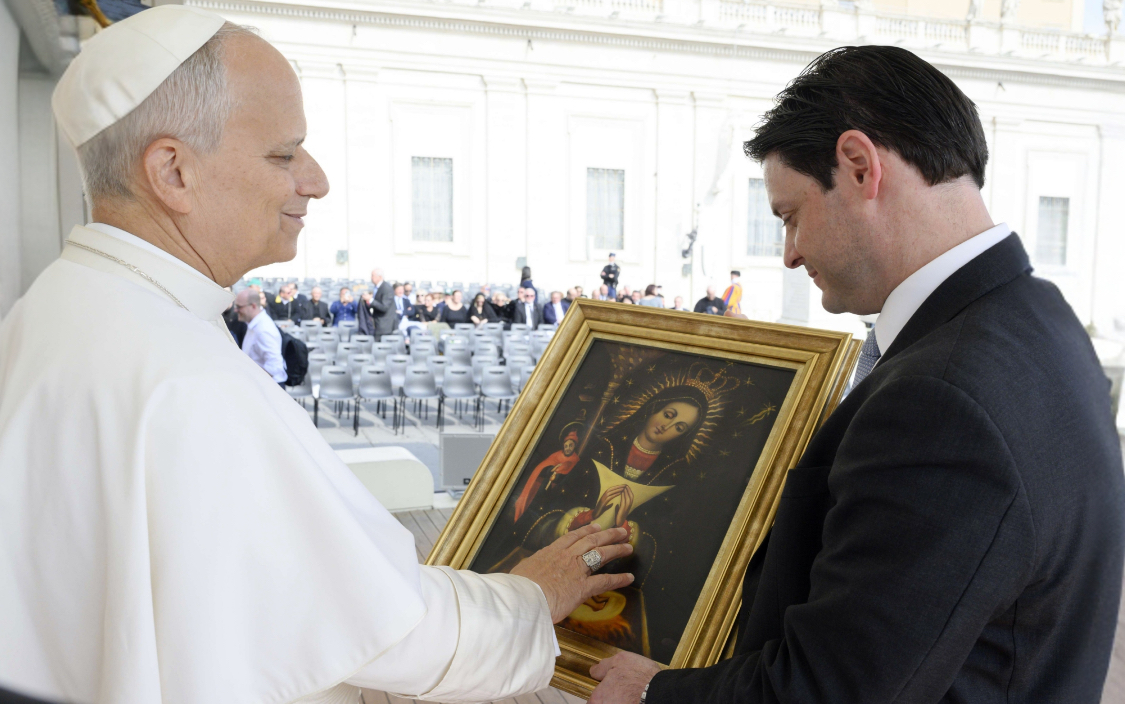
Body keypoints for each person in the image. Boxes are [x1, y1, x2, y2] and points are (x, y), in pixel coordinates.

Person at [0, 8, 634, 703]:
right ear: (172, 172)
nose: (316, 179)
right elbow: (389, 634)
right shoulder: (187, 378)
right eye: (283, 153)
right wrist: (532, 596)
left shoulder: (51, 309)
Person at [588, 45, 1125, 704]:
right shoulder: (1039, 318)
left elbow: (836, 688)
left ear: (857, 165)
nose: (788, 254)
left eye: (789, 216)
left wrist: (655, 693)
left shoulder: (938, 401)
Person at [235, 288, 287, 387]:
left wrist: (253, 381)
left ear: (253, 306)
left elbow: (274, 367)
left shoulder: (263, 330)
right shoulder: (255, 324)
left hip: (269, 388)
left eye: (239, 307)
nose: (235, 310)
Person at [366, 268, 396, 340]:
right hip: (378, 323)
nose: (371, 278)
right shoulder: (377, 287)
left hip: (384, 326)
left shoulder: (386, 288)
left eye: (373, 276)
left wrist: (370, 300)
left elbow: (384, 307)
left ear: (379, 277)